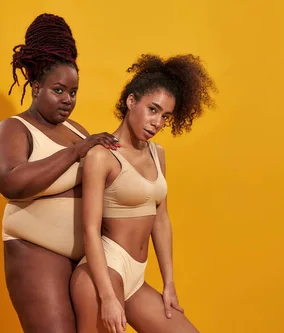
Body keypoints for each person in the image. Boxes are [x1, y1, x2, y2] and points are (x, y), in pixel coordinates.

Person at [0, 13, 120, 333]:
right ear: (35, 85)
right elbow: (11, 182)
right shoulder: (13, 129)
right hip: (36, 253)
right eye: (58, 90)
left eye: (73, 92)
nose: (68, 101)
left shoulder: (76, 129)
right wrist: (76, 152)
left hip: (88, 259)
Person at [70, 54, 217, 333]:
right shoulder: (102, 157)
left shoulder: (157, 154)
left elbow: (161, 221)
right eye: (152, 109)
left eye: (165, 116)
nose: (157, 122)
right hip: (103, 273)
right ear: (131, 101)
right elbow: (90, 229)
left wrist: (169, 283)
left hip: (135, 279)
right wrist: (108, 297)